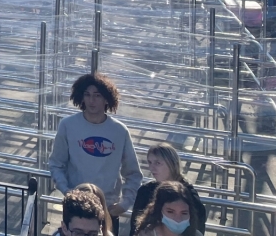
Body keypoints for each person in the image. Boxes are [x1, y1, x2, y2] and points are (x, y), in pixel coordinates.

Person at [48, 73, 141, 236]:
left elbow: (133, 173)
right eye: (87, 94)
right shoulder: (67, 125)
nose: (92, 100)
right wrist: (68, 192)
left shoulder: (119, 131)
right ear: (81, 97)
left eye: (97, 95)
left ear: (107, 99)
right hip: (75, 210)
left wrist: (124, 204)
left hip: (107, 210)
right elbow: (56, 164)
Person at [129, 144, 206, 236]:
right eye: (150, 162)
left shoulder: (189, 196)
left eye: (157, 163)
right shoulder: (145, 191)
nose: (151, 168)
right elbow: (135, 227)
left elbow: (197, 227)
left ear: (172, 164)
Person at [133, 181, 203, 236]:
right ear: (159, 210)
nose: (178, 219)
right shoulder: (145, 234)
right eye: (170, 212)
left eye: (184, 213)